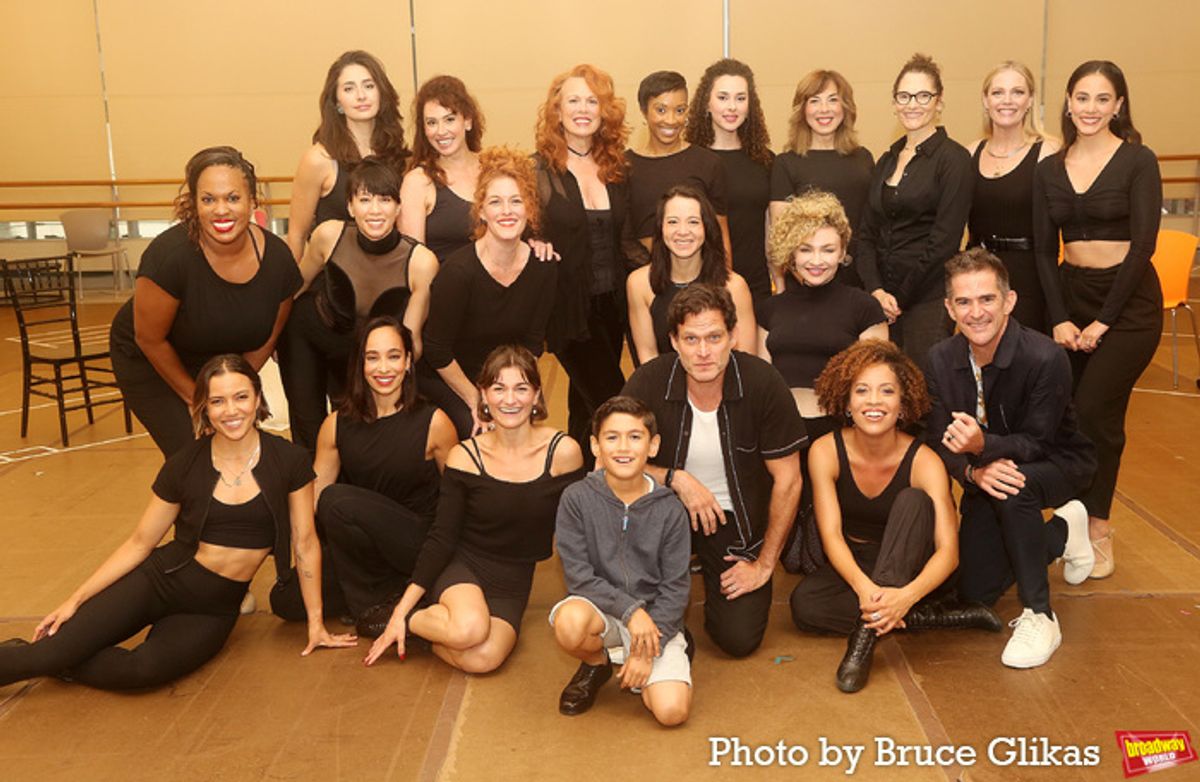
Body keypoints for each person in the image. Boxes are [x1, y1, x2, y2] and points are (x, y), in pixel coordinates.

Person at [0, 355, 356, 691]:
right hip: (160, 580)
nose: (231, 410)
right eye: (217, 401)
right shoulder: (184, 464)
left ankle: (62, 657)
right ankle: (47, 654)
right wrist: (75, 599)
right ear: (204, 407)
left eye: (241, 397)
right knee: (45, 651)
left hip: (212, 608)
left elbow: (305, 543)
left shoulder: (290, 461)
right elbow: (140, 542)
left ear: (257, 398)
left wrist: (316, 623)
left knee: (142, 671)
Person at [790, 339, 1000, 693]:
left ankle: (863, 642)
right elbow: (831, 536)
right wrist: (866, 589)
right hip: (856, 563)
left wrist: (906, 595)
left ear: (903, 404)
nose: (874, 401)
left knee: (913, 501)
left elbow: (948, 554)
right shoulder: (825, 450)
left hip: (913, 561)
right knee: (804, 606)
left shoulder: (924, 461)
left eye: (887, 391)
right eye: (862, 390)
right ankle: (930, 618)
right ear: (846, 400)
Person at [364, 345, 584, 673]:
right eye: (499, 388)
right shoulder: (465, 456)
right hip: (463, 564)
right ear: (483, 395)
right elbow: (442, 536)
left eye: (521, 388)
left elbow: (581, 530)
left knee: (482, 659)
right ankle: (405, 617)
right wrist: (403, 608)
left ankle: (427, 633)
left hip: (513, 577)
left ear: (536, 395)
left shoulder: (563, 452)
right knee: (469, 629)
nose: (510, 400)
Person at [927, 248, 1097, 669]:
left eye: (987, 299)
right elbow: (935, 439)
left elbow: (1039, 440)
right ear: (949, 307)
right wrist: (971, 471)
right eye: (963, 302)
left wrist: (983, 448)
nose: (976, 312)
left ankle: (1040, 614)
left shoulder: (1045, 356)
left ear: (1009, 301)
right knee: (975, 591)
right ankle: (1063, 531)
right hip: (985, 470)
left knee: (1014, 484)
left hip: (1059, 461)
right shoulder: (939, 359)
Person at [622, 284, 804, 658]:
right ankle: (667, 612)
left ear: (733, 336)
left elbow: (789, 480)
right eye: (691, 339)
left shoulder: (763, 383)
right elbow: (608, 462)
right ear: (674, 340)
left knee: (738, 640)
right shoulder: (649, 381)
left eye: (714, 337)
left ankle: (700, 590)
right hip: (663, 512)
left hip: (734, 517)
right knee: (631, 598)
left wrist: (764, 564)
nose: (703, 352)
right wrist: (676, 479)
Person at [1033, 60, 1162, 580]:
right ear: (1068, 103)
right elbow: (1044, 251)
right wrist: (1061, 319)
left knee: (1096, 414)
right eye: (1081, 98)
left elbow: (1144, 247)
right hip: (1071, 297)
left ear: (1119, 105)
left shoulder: (1138, 161)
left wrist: (1104, 322)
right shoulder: (1049, 167)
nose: (1090, 108)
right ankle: (1074, 520)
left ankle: (1097, 529)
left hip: (1128, 307)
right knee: (1068, 419)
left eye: (1101, 98)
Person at [109, 146, 301, 458]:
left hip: (220, 363)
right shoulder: (169, 258)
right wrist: (201, 403)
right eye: (209, 199)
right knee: (198, 456)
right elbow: (149, 338)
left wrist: (233, 393)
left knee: (245, 453)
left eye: (233, 198)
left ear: (253, 201)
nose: (221, 210)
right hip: (152, 359)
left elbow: (267, 338)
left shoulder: (279, 261)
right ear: (194, 204)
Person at [758, 191, 887, 572]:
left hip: (840, 436)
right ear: (790, 253)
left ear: (843, 250)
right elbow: (759, 381)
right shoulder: (770, 308)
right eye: (806, 249)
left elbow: (879, 388)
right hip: (782, 440)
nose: (817, 261)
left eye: (828, 249)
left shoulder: (863, 307)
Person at [279, 157, 439, 451]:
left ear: (398, 207)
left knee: (353, 433)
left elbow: (411, 340)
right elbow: (294, 288)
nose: (375, 210)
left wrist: (392, 371)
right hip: (309, 336)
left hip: (362, 353)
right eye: (365, 200)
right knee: (309, 432)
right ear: (351, 207)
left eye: (385, 200)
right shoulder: (328, 235)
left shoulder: (421, 262)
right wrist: (271, 335)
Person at [550, 396, 691, 725]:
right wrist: (630, 612)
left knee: (671, 712)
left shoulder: (670, 509)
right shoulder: (576, 499)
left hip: (655, 618)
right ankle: (598, 663)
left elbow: (676, 586)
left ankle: (664, 648)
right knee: (570, 624)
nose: (623, 447)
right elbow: (580, 578)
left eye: (635, 436)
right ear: (595, 446)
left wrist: (646, 648)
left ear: (653, 446)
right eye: (611, 437)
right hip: (604, 610)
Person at [311, 317, 457, 632]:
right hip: (367, 553)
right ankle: (392, 592)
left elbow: (458, 504)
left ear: (407, 362)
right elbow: (310, 506)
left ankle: (370, 613)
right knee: (286, 599)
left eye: (393, 356)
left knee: (336, 499)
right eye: (372, 357)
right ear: (360, 364)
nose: (383, 368)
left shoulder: (435, 422)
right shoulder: (335, 425)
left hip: (415, 543)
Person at [421, 147, 558, 438]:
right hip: (453, 378)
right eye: (496, 202)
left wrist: (513, 395)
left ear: (529, 209)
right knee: (484, 432)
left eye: (516, 201)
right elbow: (437, 351)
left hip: (506, 378)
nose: (507, 211)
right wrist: (478, 400)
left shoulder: (544, 267)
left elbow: (532, 345)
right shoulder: (458, 273)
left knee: (525, 431)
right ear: (481, 211)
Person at [534, 64, 630, 467]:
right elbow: (512, 222)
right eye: (574, 100)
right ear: (556, 111)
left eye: (593, 101)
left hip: (614, 306)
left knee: (584, 405)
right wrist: (531, 239)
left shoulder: (617, 166)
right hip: (567, 307)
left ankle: (575, 492)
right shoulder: (537, 169)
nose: (583, 109)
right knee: (615, 399)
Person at [856, 53, 973, 371]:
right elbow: (867, 233)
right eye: (904, 96)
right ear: (894, 102)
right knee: (883, 392)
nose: (913, 104)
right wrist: (876, 291)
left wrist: (901, 298)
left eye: (923, 95)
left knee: (924, 395)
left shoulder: (954, 160)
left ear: (939, 102)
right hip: (881, 300)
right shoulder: (887, 160)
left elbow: (944, 242)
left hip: (928, 299)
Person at [286, 50, 410, 260]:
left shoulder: (399, 156)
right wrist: (291, 291)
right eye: (349, 89)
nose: (361, 95)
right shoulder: (318, 159)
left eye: (369, 86)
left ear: (382, 93)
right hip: (334, 281)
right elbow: (297, 235)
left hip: (390, 276)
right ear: (337, 102)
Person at [967, 61, 1060, 333]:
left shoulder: (1049, 151)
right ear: (985, 100)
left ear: (1030, 100)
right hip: (980, 275)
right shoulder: (970, 152)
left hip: (1030, 277)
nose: (1007, 101)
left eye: (1017, 92)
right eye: (998, 93)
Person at [626, 185, 756, 365]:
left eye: (693, 222)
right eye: (672, 222)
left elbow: (746, 360)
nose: (683, 231)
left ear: (706, 228)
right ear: (660, 228)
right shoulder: (639, 283)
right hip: (664, 386)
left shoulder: (734, 286)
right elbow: (648, 356)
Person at [769, 69, 874, 289]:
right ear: (802, 110)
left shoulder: (863, 158)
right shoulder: (786, 163)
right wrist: (806, 281)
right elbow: (782, 237)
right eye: (814, 101)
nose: (824, 109)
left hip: (859, 282)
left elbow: (872, 227)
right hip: (806, 284)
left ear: (845, 107)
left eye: (832, 100)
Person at [686, 58, 773, 301]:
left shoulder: (765, 161)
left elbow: (771, 228)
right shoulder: (689, 160)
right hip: (702, 285)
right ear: (707, 103)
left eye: (740, 98)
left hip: (755, 283)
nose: (732, 107)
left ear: (750, 105)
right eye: (723, 97)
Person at [624, 70, 731, 266]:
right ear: (644, 111)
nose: (672, 120)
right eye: (661, 110)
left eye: (680, 110)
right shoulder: (624, 166)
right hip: (643, 279)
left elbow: (720, 234)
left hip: (700, 281)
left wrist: (723, 286)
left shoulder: (708, 163)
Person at [400, 75, 484, 263]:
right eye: (431, 122)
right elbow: (412, 264)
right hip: (444, 289)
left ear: (468, 121)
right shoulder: (418, 182)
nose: (440, 131)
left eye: (449, 119)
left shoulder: (494, 169)